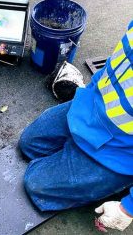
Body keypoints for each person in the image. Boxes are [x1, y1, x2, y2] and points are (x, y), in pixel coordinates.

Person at [19, 22, 133, 231]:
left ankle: (117, 180)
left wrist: (128, 208)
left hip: (119, 152)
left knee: (36, 184)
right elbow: (120, 63)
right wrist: (90, 92)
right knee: (28, 143)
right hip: (91, 107)